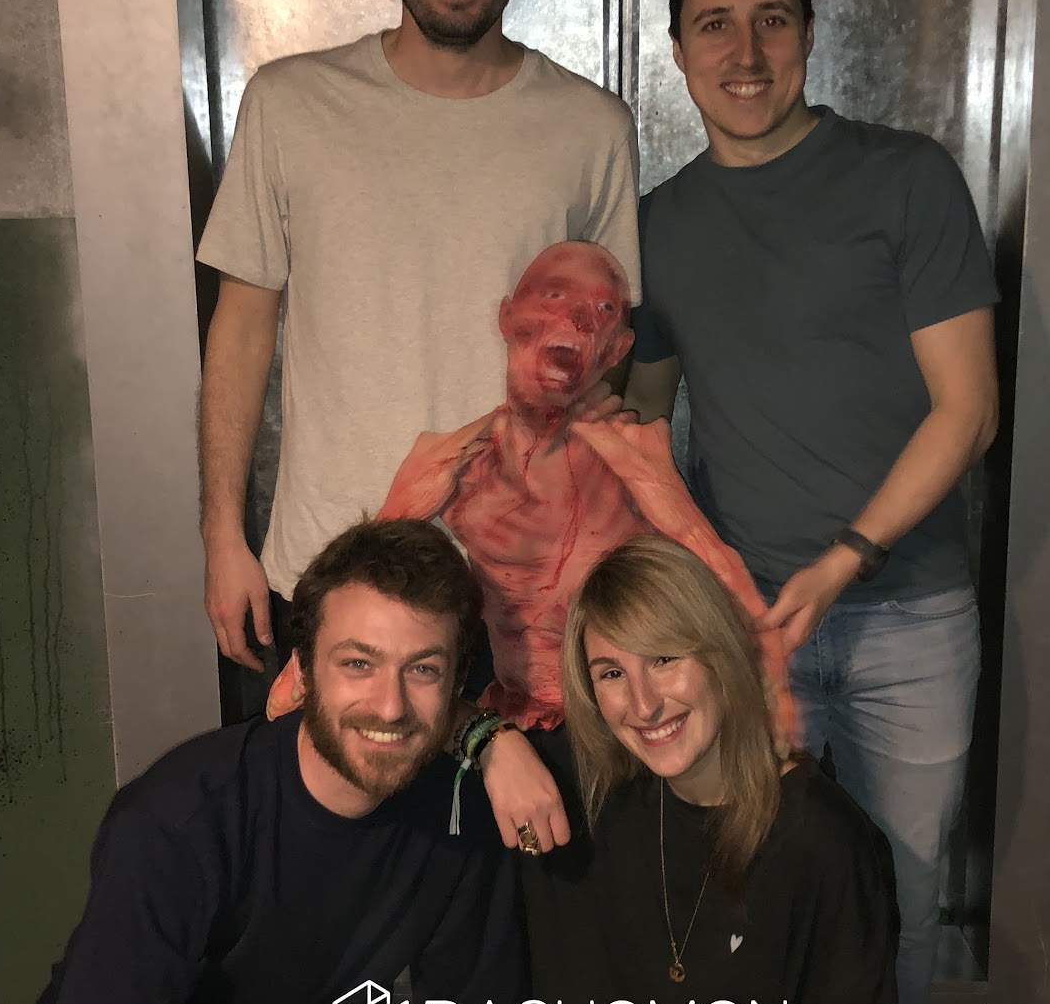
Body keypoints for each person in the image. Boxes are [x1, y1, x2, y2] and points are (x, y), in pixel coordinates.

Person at [623, 0, 1000, 1004]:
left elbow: (969, 410)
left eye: (771, 20)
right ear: (679, 46)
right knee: (749, 895)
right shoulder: (660, 226)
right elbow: (644, 428)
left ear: (810, 32)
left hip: (907, 619)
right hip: (743, 634)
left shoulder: (906, 178)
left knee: (901, 898)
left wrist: (845, 560)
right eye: (714, 26)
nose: (746, 53)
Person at [198, 0, 641, 680]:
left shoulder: (592, 127)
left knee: (518, 782)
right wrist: (221, 536)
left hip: (519, 597)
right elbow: (241, 331)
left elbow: (604, 359)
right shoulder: (290, 106)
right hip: (330, 580)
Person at [0, 518, 554, 1004]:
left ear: (455, 684)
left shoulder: (460, 810)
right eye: (358, 664)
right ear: (302, 671)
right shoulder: (178, 822)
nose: (390, 707)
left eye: (422, 669)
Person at [263, 242, 791, 856]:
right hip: (506, 720)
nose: (575, 318)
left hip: (623, 731)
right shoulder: (456, 464)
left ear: (616, 349)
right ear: (508, 318)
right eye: (554, 298)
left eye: (600, 311)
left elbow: (728, 585)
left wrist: (778, 721)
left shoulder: (629, 459)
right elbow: (348, 606)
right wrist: (403, 504)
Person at [523, 535, 903, 1004]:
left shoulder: (822, 836)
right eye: (612, 673)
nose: (644, 704)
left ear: (720, 652)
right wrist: (488, 743)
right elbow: (416, 723)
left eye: (665, 659)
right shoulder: (587, 790)